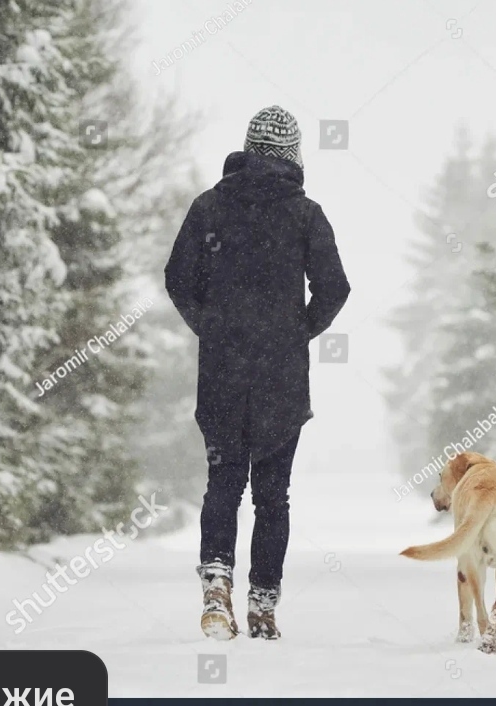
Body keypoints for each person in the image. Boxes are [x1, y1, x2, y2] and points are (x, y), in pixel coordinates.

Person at [165, 105, 350, 640]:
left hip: (221, 372)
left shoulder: (209, 207)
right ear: (293, 156)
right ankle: (263, 606)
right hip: (281, 379)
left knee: (223, 480)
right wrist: (297, 333)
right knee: (273, 494)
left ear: (247, 149)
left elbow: (178, 278)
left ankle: (216, 588)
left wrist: (212, 326)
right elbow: (335, 287)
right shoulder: (306, 214)